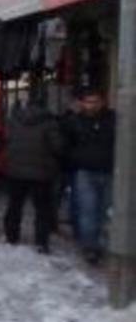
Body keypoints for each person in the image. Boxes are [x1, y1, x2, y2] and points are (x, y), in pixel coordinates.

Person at [3, 99, 64, 254]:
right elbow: (58, 146)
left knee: (14, 205)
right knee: (42, 208)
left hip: (15, 171)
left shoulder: (13, 120)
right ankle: (41, 243)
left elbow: (6, 139)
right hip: (42, 173)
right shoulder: (50, 123)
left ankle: (11, 236)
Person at [62, 86, 116, 264]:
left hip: (109, 171)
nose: (91, 105)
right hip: (85, 171)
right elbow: (65, 143)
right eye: (88, 102)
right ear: (83, 103)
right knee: (88, 210)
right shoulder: (74, 121)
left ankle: (98, 243)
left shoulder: (114, 119)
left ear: (102, 102)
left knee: (103, 211)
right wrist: (74, 160)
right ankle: (90, 247)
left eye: (95, 101)